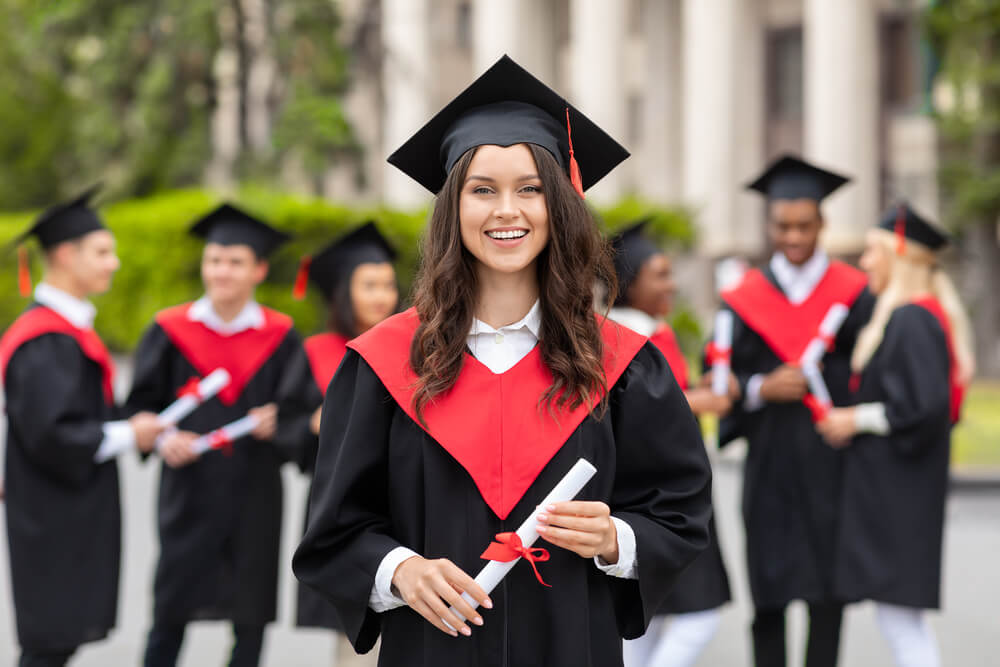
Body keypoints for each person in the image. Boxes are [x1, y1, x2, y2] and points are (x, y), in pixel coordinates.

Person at [292, 55, 713, 667]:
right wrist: (400, 570)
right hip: (432, 647)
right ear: (453, 208)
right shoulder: (383, 364)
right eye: (482, 190)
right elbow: (335, 531)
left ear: (559, 206)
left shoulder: (621, 365)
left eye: (531, 189)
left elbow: (678, 514)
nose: (506, 211)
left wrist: (615, 538)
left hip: (573, 646)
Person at [126, 203, 311, 667]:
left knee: (250, 615)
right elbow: (139, 407)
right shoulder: (169, 330)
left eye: (234, 262)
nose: (222, 271)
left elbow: (300, 413)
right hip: (188, 491)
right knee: (170, 606)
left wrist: (279, 422)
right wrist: (162, 438)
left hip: (254, 491)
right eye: (214, 260)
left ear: (258, 270)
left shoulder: (282, 336)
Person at [718, 155, 876, 667]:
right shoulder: (744, 299)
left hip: (832, 467)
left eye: (804, 226)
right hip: (770, 469)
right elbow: (722, 381)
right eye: (783, 226)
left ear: (822, 224)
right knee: (769, 598)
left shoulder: (854, 295)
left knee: (827, 600)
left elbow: (870, 373)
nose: (793, 236)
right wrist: (763, 386)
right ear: (770, 225)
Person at [0, 188, 165, 667]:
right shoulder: (44, 339)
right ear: (66, 256)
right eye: (102, 252)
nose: (113, 263)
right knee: (48, 643)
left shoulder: (66, 330)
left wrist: (129, 425)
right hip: (51, 511)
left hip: (67, 507)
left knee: (58, 641)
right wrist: (125, 435)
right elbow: (51, 433)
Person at [817, 203, 974, 667]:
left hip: (900, 495)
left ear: (896, 254)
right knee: (899, 620)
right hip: (903, 491)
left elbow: (925, 408)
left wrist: (855, 419)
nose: (863, 263)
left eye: (870, 252)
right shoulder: (921, 314)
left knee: (901, 623)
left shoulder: (912, 319)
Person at [609, 221, 733, 667]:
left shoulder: (646, 331)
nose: (672, 284)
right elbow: (640, 411)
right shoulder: (626, 341)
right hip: (658, 497)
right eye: (659, 274)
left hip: (661, 491)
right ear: (629, 283)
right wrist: (698, 399)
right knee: (695, 616)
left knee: (649, 619)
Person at [276, 221, 399, 665]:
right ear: (344, 293)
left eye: (387, 284)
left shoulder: (416, 345)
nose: (382, 295)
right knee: (358, 632)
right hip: (345, 500)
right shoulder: (316, 351)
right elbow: (285, 426)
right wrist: (312, 424)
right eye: (369, 285)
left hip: (406, 496)